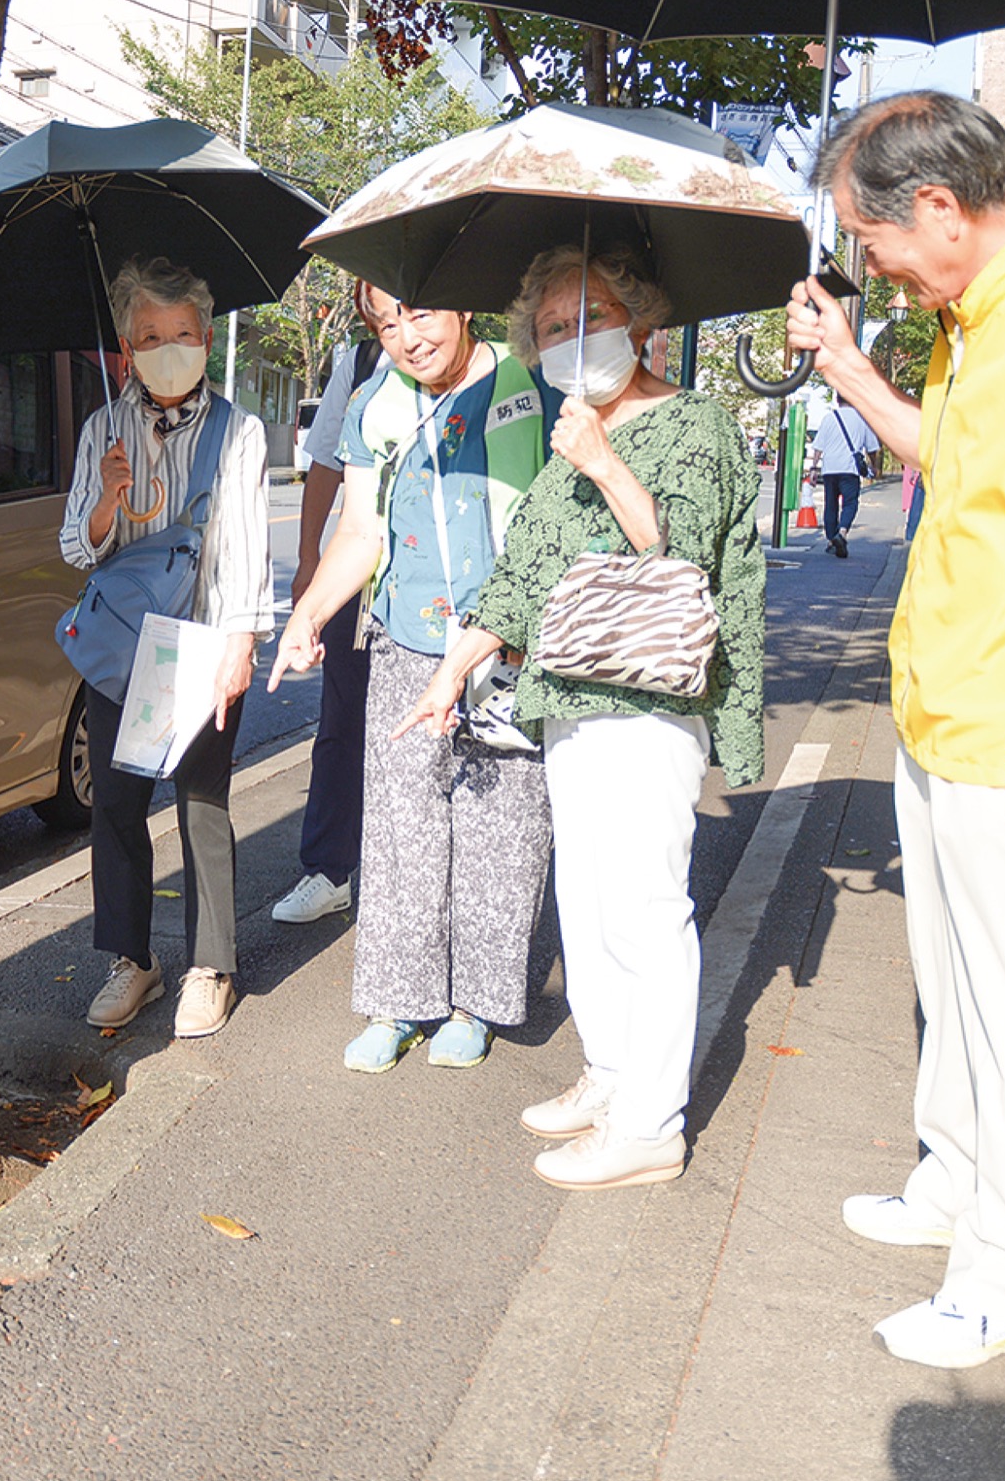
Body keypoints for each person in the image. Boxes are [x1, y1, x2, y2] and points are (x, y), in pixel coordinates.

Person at [786, 90, 1005, 1369]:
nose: (877, 267)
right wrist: (849, 367)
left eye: (875, 239)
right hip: (945, 704)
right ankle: (954, 1185)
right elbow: (955, 466)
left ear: (944, 210)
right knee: (957, 989)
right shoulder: (979, 310)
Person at [396, 244, 765, 1191]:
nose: (573, 337)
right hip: (568, 701)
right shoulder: (569, 437)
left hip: (650, 700)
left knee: (645, 907)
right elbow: (519, 579)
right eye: (554, 328)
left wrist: (601, 461)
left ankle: (652, 1123)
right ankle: (609, 1077)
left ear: (637, 320)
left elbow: (674, 549)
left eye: (591, 316)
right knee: (589, 904)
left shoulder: (694, 425)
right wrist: (451, 674)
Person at [268, 290, 555, 1072]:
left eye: (422, 313)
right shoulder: (373, 401)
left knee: (501, 830)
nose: (407, 337)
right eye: (387, 323)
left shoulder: (531, 385)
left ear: (466, 307)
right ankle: (398, 1003)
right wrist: (312, 613)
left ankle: (475, 1004)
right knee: (400, 827)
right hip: (405, 639)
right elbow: (361, 530)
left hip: (507, 647)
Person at [61, 256, 272, 1040]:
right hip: (124, 647)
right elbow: (78, 550)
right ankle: (131, 960)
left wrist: (240, 644)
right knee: (115, 804)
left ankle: (209, 966)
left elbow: (245, 546)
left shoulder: (240, 429)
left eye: (182, 332)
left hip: (205, 641)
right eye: (150, 335)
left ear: (208, 338)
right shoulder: (101, 429)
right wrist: (109, 496)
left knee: (203, 800)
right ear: (127, 344)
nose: (168, 347)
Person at [271, 282, 386, 924]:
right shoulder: (362, 363)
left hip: (439, 593)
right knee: (342, 719)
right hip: (358, 573)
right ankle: (327, 869)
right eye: (372, 294)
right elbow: (324, 466)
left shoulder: (487, 368)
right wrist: (309, 564)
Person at [811, 395, 879, 556]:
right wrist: (873, 466)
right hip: (850, 469)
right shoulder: (862, 419)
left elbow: (818, 446)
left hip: (829, 468)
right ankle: (841, 533)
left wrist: (814, 468)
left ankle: (830, 540)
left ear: (837, 400)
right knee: (850, 503)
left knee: (831, 504)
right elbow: (872, 447)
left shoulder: (829, 418)